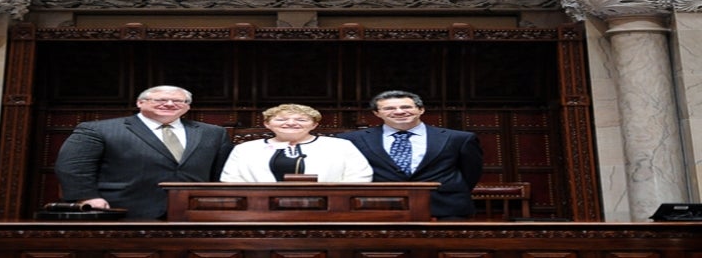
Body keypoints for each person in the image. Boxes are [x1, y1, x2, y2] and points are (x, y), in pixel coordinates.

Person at [54, 85, 233, 220]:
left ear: (188, 106)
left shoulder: (213, 133)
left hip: (193, 214)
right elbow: (73, 167)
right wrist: (86, 197)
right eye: (160, 100)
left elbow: (222, 173)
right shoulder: (99, 130)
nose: (170, 104)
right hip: (121, 211)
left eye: (179, 101)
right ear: (140, 103)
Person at [338, 90, 484, 220]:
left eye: (406, 107)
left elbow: (471, 172)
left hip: (446, 208)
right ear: (376, 113)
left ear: (421, 110)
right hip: (379, 207)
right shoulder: (353, 139)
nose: (399, 112)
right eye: (389, 108)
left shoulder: (458, 138)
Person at [220, 103, 373, 182]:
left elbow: (359, 176)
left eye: (301, 120)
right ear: (267, 124)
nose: (291, 123)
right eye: (281, 119)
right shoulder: (246, 149)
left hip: (329, 209)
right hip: (259, 209)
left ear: (314, 125)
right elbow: (231, 179)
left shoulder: (340, 146)